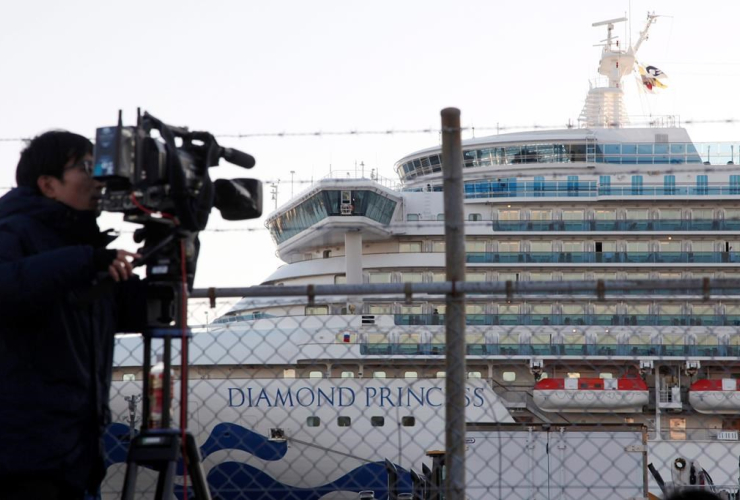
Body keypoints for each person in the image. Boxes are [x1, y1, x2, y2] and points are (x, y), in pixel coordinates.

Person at [0, 131, 146, 499]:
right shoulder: (13, 233)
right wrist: (85, 261)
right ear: (48, 184)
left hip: (76, 455)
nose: (99, 179)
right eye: (86, 167)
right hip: (21, 458)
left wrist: (176, 248)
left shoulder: (88, 251)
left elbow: (143, 315)